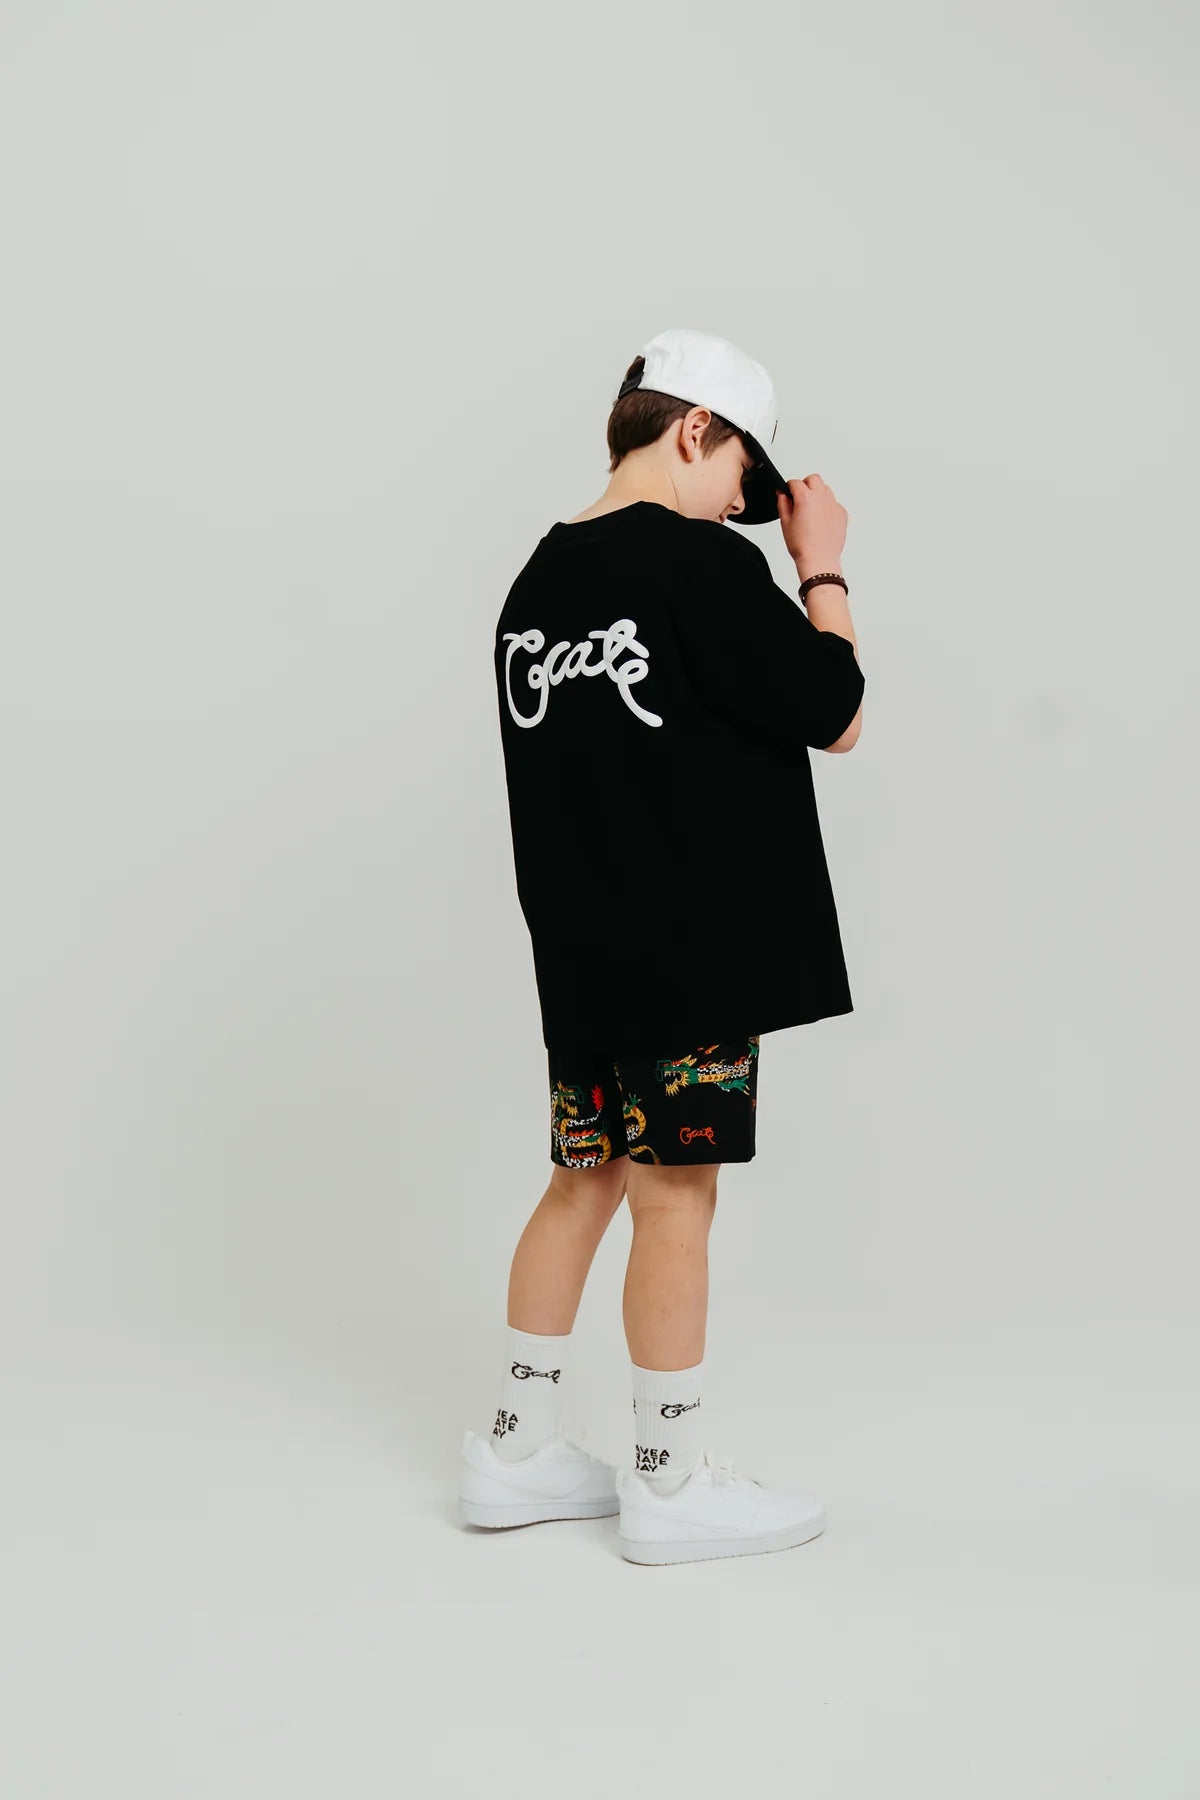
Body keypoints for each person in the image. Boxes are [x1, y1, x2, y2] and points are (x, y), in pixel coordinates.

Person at [458, 327, 865, 1565]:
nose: (742, 503)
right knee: (676, 1197)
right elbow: (837, 709)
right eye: (741, 472)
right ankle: (669, 1482)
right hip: (692, 959)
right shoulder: (701, 567)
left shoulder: (535, 583)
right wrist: (820, 565)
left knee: (580, 1183)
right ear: (695, 429)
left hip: (582, 961)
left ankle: (514, 1451)